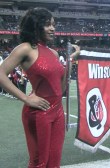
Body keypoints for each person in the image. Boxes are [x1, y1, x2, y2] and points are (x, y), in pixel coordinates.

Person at [0, 7, 80, 167]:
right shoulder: (26, 48)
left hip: (58, 112)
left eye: (53, 25)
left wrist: (70, 60)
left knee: (54, 162)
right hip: (38, 113)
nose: (52, 28)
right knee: (39, 162)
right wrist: (26, 99)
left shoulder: (54, 53)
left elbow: (61, 87)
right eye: (47, 24)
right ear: (35, 25)